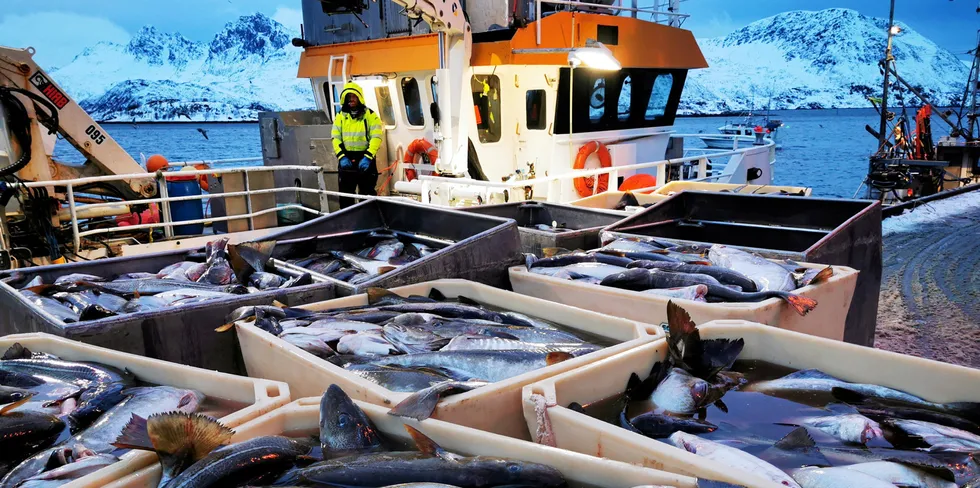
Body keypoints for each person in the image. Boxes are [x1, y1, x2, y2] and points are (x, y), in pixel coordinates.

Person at [332, 81, 383, 208]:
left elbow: (376, 137)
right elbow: (335, 137)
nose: (351, 99)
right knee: (345, 196)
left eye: (353, 96)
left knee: (367, 197)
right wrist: (342, 157)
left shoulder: (370, 115)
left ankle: (368, 223)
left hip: (365, 159)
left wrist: (368, 157)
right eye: (348, 97)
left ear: (359, 97)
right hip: (346, 159)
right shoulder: (340, 116)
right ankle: (347, 224)